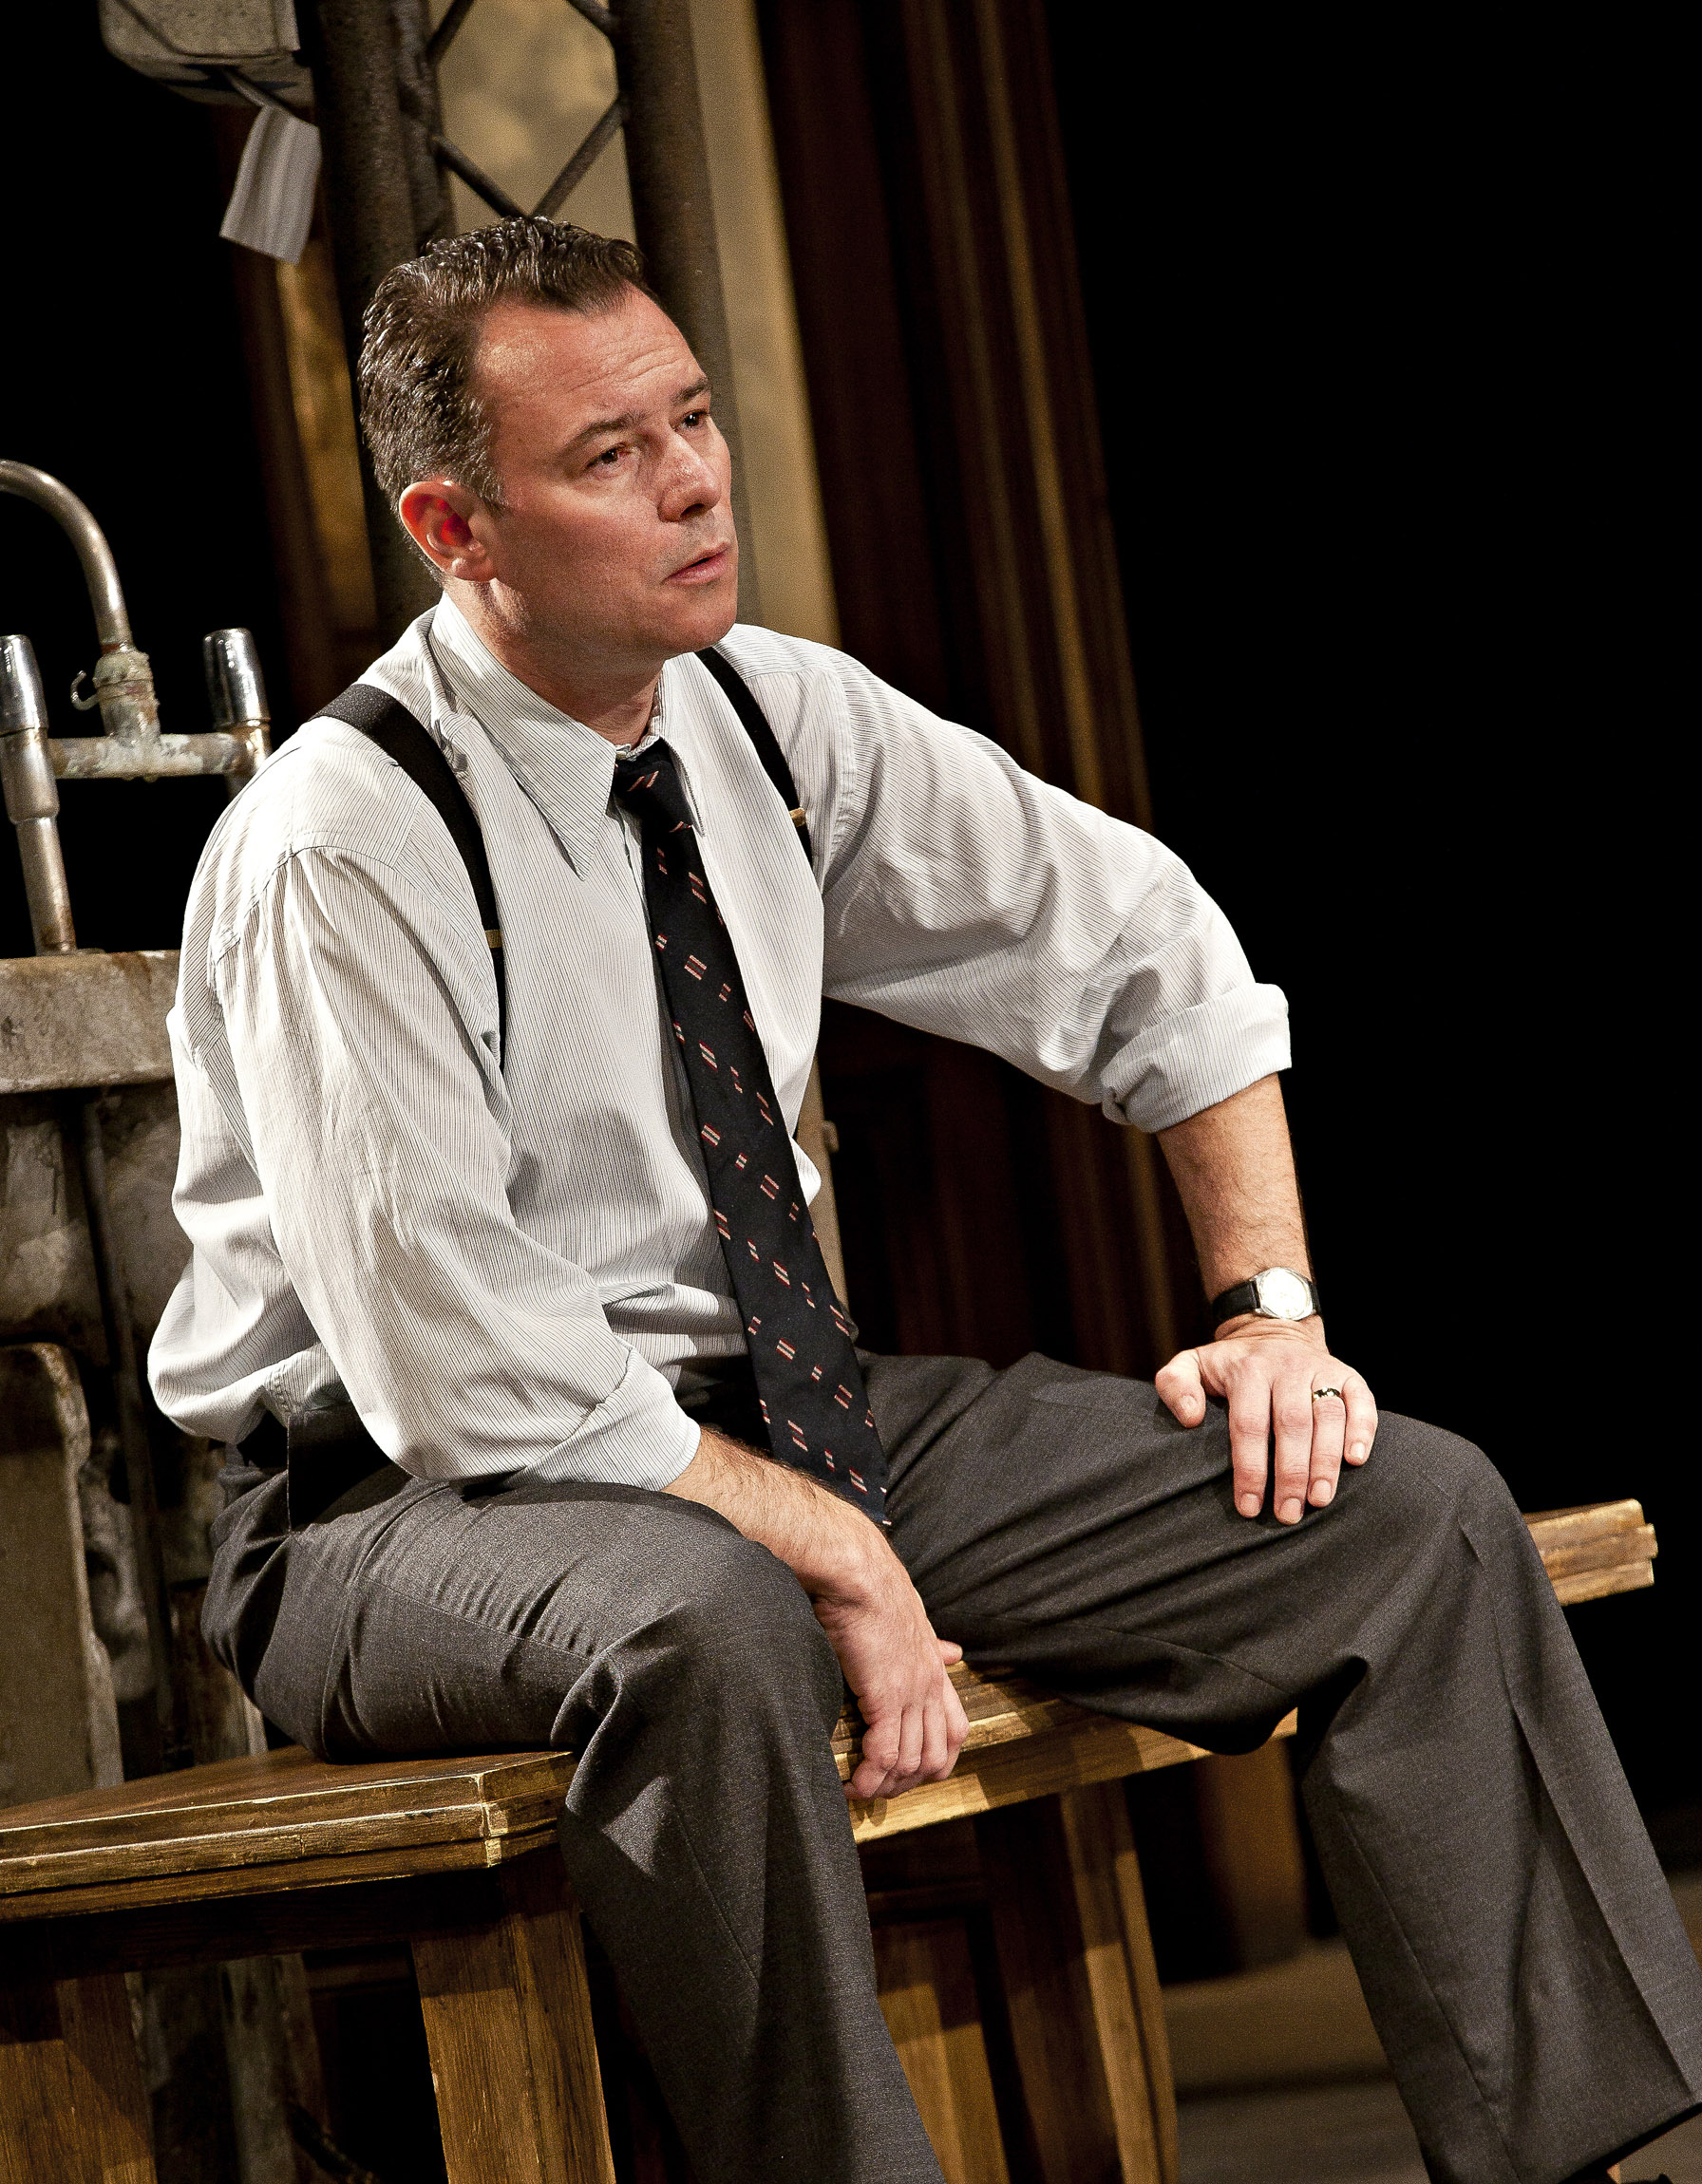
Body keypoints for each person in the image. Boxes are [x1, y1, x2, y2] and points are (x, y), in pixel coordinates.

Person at [150, 217, 1696, 2184]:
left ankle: (1582, 2164)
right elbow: (461, 1363)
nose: (694, 482)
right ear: (454, 527)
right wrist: (830, 1547)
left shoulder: (764, 718)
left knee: (1400, 1512)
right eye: (611, 455)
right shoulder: (341, 840)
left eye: (692, 419)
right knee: (709, 1627)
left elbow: (1147, 949)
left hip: (766, 1419)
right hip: (389, 1509)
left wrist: (1270, 1312)